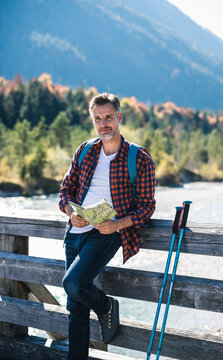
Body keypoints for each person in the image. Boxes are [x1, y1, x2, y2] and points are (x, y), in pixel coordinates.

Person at [59, 93, 156, 360]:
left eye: (108, 117)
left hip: (106, 233)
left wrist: (117, 225)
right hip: (75, 230)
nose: (103, 124)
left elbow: (147, 207)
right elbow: (65, 190)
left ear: (119, 117)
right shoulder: (86, 150)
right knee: (75, 307)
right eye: (97, 118)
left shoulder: (139, 159)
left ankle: (106, 306)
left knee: (74, 284)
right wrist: (70, 212)